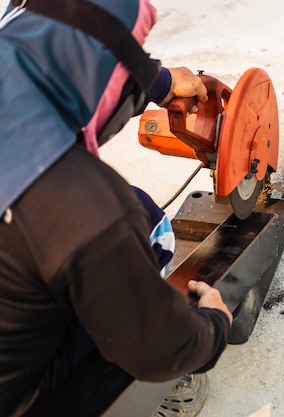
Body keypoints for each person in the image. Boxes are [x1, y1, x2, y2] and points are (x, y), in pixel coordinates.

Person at [0, 1, 233, 416]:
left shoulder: (20, 58)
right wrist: (213, 328)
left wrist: (158, 82)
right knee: (147, 227)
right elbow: (159, 346)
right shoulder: (86, 207)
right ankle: (172, 390)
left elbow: (69, 59)